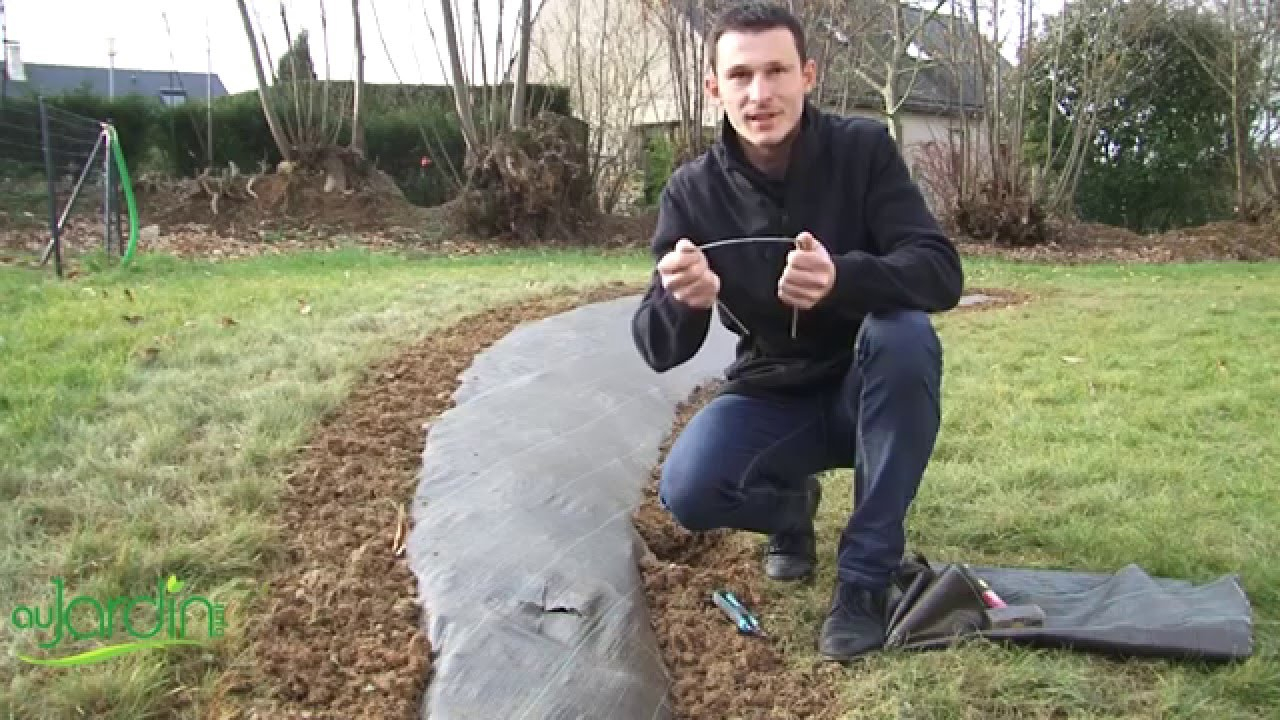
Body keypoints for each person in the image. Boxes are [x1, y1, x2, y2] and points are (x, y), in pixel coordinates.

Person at [630, 0, 964, 661]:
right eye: (741, 76)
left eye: (777, 70)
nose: (760, 94)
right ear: (713, 88)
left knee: (904, 336)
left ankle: (864, 580)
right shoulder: (692, 193)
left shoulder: (863, 152)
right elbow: (655, 343)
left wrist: (843, 278)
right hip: (773, 391)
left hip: (868, 388)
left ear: (807, 75)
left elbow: (940, 272)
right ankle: (791, 513)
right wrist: (686, 299)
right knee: (688, 491)